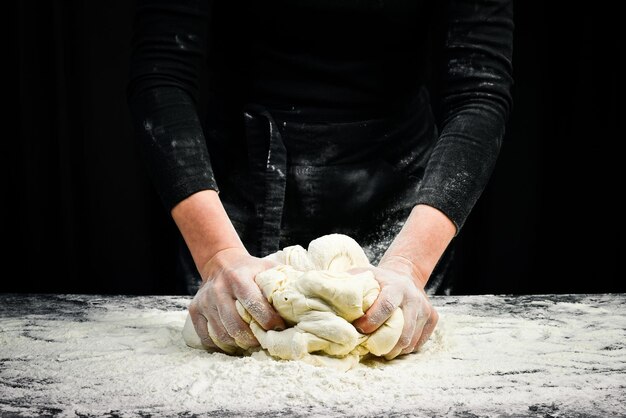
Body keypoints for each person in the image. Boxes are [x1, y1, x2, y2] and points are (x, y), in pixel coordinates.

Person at [127, 0, 513, 359]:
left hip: (404, 201)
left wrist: (410, 265)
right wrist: (218, 257)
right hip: (231, 200)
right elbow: (162, 74)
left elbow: (478, 92)